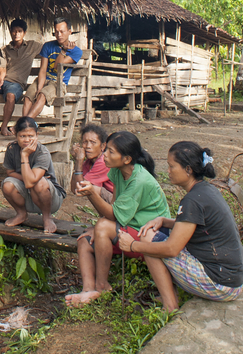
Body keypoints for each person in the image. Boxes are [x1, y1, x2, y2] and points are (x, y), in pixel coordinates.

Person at [116, 141, 243, 311]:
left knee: (148, 237)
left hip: (219, 285)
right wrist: (165, 220)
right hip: (231, 280)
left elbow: (171, 249)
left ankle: (169, 306)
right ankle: (171, 295)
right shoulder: (206, 190)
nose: (168, 171)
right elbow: (196, 225)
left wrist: (132, 245)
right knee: (154, 235)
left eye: (172, 166)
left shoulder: (192, 201)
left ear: (188, 170)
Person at [68, 131, 169, 307]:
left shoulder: (139, 180)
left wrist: (92, 193)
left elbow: (113, 215)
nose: (105, 155)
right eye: (106, 149)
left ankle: (101, 286)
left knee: (102, 226)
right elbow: (115, 205)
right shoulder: (116, 171)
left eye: (111, 151)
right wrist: (98, 229)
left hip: (151, 236)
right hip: (130, 227)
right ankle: (88, 290)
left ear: (127, 159)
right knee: (85, 240)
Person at [1, 116, 67, 234]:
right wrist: (27, 178)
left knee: (39, 183)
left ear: (37, 136)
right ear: (16, 136)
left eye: (31, 136)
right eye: (22, 136)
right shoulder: (12, 148)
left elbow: (31, 182)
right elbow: (10, 173)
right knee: (7, 184)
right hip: (28, 195)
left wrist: (25, 156)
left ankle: (47, 217)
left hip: (51, 200)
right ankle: (21, 214)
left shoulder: (42, 152)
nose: (27, 140)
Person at [0, 18, 43, 135]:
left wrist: (66, 46)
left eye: (19, 31)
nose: (16, 34)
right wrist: (0, 79)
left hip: (16, 84)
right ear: (10, 32)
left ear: (24, 33)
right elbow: (2, 67)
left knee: (10, 96)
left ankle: (4, 127)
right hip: (1, 81)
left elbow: (49, 48)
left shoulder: (32, 46)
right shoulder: (5, 49)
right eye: (14, 31)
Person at [21, 17, 82, 119]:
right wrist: (39, 87)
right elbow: (43, 69)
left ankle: (24, 124)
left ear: (69, 32)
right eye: (56, 32)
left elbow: (57, 66)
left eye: (62, 32)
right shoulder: (47, 46)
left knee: (42, 95)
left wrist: (63, 51)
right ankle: (26, 125)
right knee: (28, 97)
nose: (59, 35)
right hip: (44, 80)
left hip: (58, 83)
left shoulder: (76, 51)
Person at [69, 123, 114, 203]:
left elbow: (80, 188)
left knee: (91, 189)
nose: (88, 146)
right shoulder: (89, 162)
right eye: (85, 142)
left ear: (103, 146)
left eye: (93, 142)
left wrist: (79, 161)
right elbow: (74, 189)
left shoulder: (103, 161)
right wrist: (77, 161)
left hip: (120, 199)